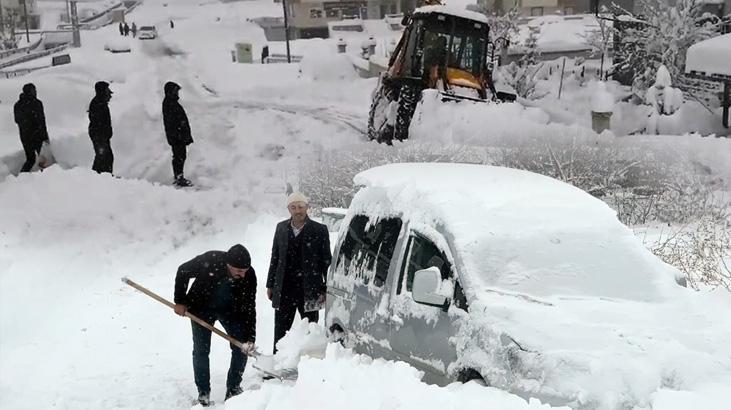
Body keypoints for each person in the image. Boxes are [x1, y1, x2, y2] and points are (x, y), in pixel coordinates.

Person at [174, 244, 257, 407]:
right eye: (238, 271)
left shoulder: (249, 275)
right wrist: (180, 301)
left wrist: (250, 338)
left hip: (230, 311)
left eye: (245, 270)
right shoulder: (210, 260)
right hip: (201, 308)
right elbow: (183, 270)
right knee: (201, 350)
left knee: (241, 348)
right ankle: (203, 393)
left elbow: (249, 307)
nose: (242, 274)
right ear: (228, 264)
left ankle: (233, 390)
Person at [266, 192, 331, 353]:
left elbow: (326, 261)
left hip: (310, 288)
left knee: (310, 328)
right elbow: (275, 257)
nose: (297, 210)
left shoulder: (320, 230)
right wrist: (270, 284)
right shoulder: (281, 228)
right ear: (289, 209)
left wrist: (326, 286)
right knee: (281, 328)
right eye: (293, 207)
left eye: (301, 206)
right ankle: (278, 362)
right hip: (285, 287)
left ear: (307, 207)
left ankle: (308, 363)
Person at [162, 81, 194, 187]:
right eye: (175, 91)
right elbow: (172, 122)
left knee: (181, 155)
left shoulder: (172, 102)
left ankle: (179, 175)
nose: (177, 93)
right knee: (179, 156)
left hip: (178, 135)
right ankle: (179, 176)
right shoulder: (169, 103)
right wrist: (179, 133)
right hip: (176, 136)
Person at [13, 83, 50, 173]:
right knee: (44, 159)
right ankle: (48, 178)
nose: (36, 92)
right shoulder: (37, 103)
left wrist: (26, 126)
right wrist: (45, 138)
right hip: (37, 136)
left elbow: (17, 120)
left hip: (25, 137)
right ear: (31, 92)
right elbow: (41, 121)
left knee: (30, 159)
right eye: (34, 90)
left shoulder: (17, 105)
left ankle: (22, 177)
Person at [88, 81, 114, 174]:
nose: (109, 94)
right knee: (103, 157)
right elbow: (98, 123)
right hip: (99, 137)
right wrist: (102, 136)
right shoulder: (97, 104)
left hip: (102, 136)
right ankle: (99, 176)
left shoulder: (101, 103)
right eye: (107, 91)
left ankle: (103, 176)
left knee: (106, 157)